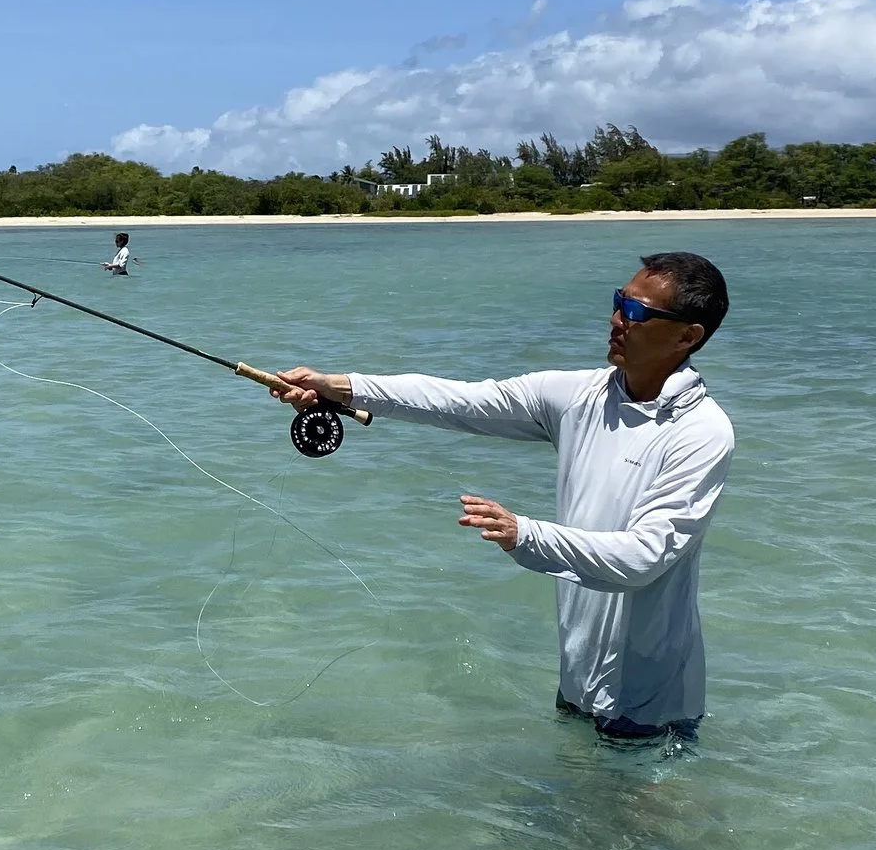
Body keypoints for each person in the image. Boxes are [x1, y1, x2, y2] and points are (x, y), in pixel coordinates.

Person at [273, 251, 734, 742]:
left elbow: (643, 558)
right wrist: (341, 388)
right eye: (619, 301)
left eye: (637, 312)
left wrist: (525, 534)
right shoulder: (577, 395)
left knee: (652, 817)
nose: (617, 319)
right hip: (577, 679)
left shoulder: (701, 432)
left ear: (688, 336)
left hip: (650, 701)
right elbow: (457, 400)